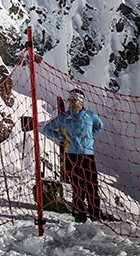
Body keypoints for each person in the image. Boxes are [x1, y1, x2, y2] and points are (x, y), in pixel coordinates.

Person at [41, 88, 106, 223]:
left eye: (75, 100)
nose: (72, 103)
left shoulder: (90, 115)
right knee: (77, 187)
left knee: (92, 187)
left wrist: (90, 137)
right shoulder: (64, 117)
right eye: (70, 100)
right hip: (72, 156)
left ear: (81, 102)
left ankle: (95, 215)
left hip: (88, 156)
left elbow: (99, 126)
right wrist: (62, 139)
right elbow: (46, 129)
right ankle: (80, 215)